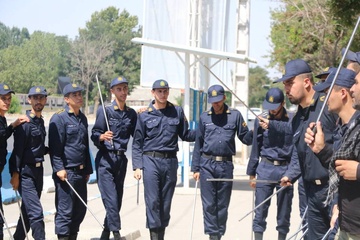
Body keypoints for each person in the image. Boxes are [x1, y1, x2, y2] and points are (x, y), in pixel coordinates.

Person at [261, 59, 337, 240]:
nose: (286, 89)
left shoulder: (327, 107)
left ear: (307, 82)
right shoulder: (297, 119)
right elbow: (299, 154)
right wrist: (290, 175)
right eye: (285, 84)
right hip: (311, 193)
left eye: (290, 83)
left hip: (332, 190)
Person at [132, 79, 195, 240]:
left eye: (165, 91)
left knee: (165, 202)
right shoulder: (144, 114)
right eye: (159, 91)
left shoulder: (177, 111)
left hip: (170, 161)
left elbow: (186, 134)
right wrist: (137, 166)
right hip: (150, 160)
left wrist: (205, 130)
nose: (162, 94)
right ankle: (154, 237)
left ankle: (161, 235)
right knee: (153, 201)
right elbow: (137, 142)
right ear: (153, 93)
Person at [191, 84, 253, 240]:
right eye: (213, 101)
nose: (216, 104)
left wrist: (258, 131)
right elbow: (199, 142)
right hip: (207, 164)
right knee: (209, 204)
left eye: (218, 101)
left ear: (224, 98)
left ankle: (219, 234)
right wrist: (195, 168)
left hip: (225, 165)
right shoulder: (205, 117)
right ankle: (213, 236)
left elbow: (245, 138)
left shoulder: (235, 115)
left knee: (222, 204)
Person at [305, 68, 360, 240]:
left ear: (342, 93)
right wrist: (321, 150)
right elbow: (342, 169)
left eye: (328, 93)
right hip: (347, 222)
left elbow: (353, 170)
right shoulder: (345, 129)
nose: (324, 99)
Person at [91, 77, 137, 240]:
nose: (123, 92)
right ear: (112, 91)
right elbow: (95, 133)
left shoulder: (131, 114)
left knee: (117, 199)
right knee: (110, 198)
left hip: (121, 160)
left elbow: (137, 136)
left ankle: (105, 233)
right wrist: (102, 136)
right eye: (119, 89)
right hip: (105, 159)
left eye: (125, 88)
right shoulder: (105, 111)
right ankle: (116, 233)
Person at [246, 88, 293, 240]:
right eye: (269, 107)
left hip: (285, 168)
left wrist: (292, 172)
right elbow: (255, 147)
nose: (272, 111)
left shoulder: (291, 120)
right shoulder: (260, 120)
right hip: (265, 167)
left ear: (283, 103)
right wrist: (252, 173)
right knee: (259, 211)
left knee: (284, 213)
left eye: (275, 107)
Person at [48, 83, 93, 240]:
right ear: (67, 99)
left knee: (79, 211)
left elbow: (84, 146)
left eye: (80, 94)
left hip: (80, 173)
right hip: (66, 173)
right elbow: (55, 148)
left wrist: (88, 169)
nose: (79, 97)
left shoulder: (82, 118)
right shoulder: (59, 118)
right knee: (65, 212)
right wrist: (59, 168)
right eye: (75, 95)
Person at [9, 86, 48, 240]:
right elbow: (17, 152)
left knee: (27, 213)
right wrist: (15, 175)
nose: (38, 101)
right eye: (35, 98)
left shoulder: (40, 122)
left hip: (38, 172)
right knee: (36, 214)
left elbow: (36, 148)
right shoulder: (24, 124)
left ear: (45, 100)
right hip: (26, 174)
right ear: (29, 100)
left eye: (41, 98)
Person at [0, 83, 28, 240]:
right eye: (3, 98)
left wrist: (12, 125)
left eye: (9, 98)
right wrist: (13, 125)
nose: (7, 102)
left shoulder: (2, 119)